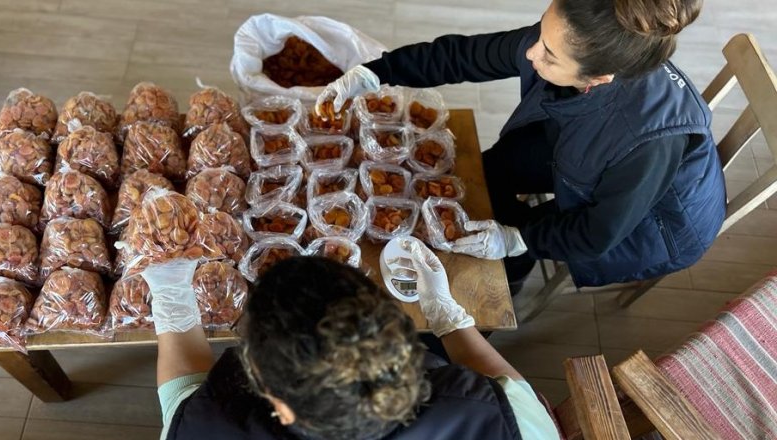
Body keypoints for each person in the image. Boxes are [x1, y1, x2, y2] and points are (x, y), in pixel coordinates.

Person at [316, 0, 726, 292]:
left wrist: (516, 239)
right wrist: (377, 72)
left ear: (598, 78)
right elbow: (464, 56)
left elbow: (596, 233)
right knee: (486, 172)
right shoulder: (575, 37)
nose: (531, 52)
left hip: (655, 223)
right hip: (585, 146)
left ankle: (507, 284)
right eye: (542, 34)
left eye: (548, 54)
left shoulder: (649, 142)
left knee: (508, 250)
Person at [147, 242, 561, 439]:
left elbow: (183, 393)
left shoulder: (201, 427)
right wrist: (445, 313)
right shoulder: (504, 422)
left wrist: (169, 291)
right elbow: (509, 391)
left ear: (280, 407)